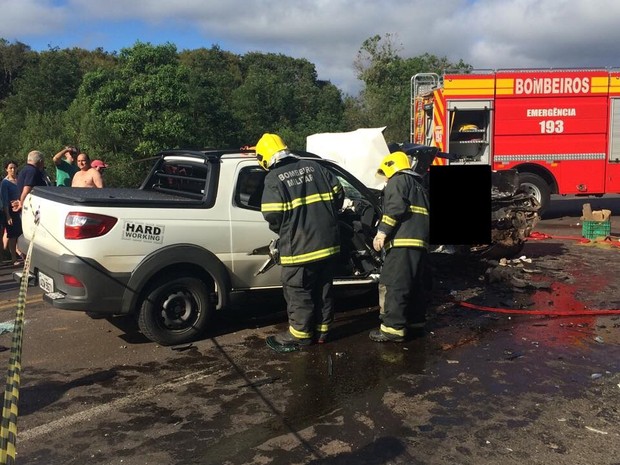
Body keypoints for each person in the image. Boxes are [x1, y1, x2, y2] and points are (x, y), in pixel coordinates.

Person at [257, 133, 344, 350]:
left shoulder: (274, 178)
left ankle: (300, 335)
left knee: (299, 291)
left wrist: (286, 229)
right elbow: (339, 196)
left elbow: (272, 214)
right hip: (329, 244)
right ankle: (322, 333)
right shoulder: (316, 167)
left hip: (300, 249)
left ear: (265, 158)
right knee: (324, 289)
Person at [370, 151, 430, 343]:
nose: (386, 179)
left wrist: (382, 232)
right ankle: (415, 324)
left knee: (395, 284)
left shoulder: (398, 180)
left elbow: (395, 208)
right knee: (415, 285)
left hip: (402, 243)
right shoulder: (419, 185)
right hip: (419, 244)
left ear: (390, 167)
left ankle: (392, 329)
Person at [1, 161, 24, 265]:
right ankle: (14, 259)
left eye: (14, 167)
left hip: (21, 209)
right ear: (6, 169)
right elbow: (5, 200)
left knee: (22, 233)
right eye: (10, 168)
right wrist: (8, 215)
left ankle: (23, 255)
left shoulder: (19, 179)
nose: (13, 170)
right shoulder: (5, 183)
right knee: (12, 235)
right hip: (11, 211)